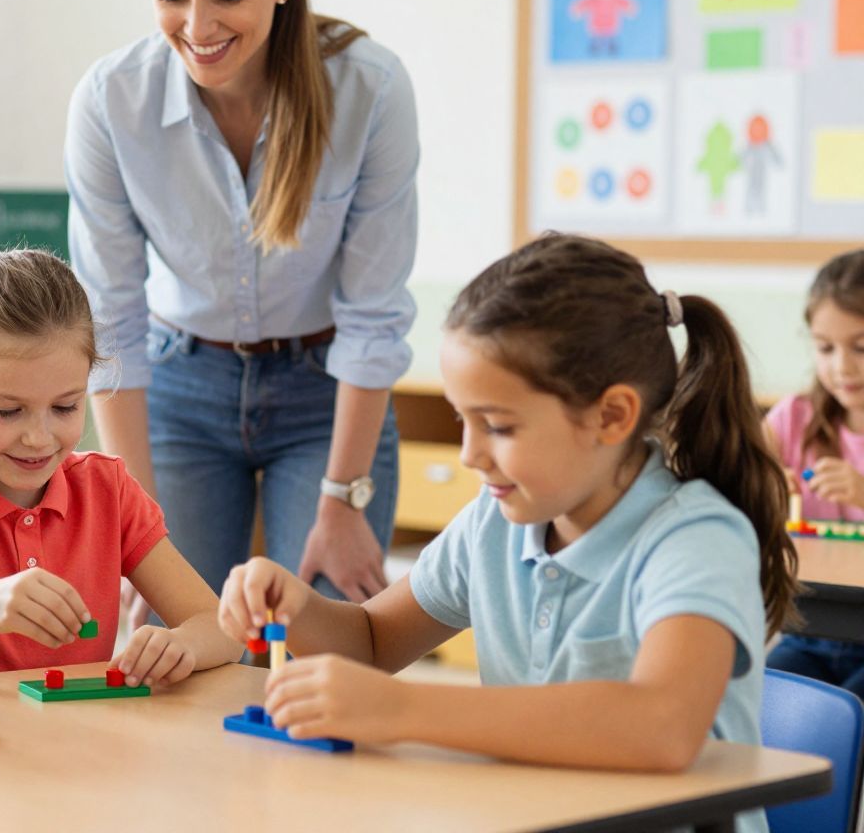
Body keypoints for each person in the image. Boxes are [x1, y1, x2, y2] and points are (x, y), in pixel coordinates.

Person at [217, 234, 795, 829]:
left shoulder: (694, 538)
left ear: (612, 416)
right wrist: (299, 605)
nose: (470, 454)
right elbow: (371, 642)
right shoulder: (494, 523)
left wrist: (405, 709)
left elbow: (661, 727)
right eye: (462, 421)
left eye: (498, 426)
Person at [64, 0, 419, 611]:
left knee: (321, 640)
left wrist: (345, 501)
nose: (198, 27)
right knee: (174, 642)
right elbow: (112, 324)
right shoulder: (110, 103)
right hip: (179, 388)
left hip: (327, 397)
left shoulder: (370, 90)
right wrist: (135, 527)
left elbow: (374, 317)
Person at [0, 248, 238, 686]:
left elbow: (221, 628)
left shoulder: (107, 490)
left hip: (78, 745)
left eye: (65, 407)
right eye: (8, 411)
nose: (38, 437)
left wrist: (181, 644)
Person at [766, 249, 864, 694]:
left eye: (861, 347)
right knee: (768, 694)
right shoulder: (792, 420)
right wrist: (758, 487)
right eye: (825, 348)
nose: (842, 367)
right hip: (809, 630)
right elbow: (725, 486)